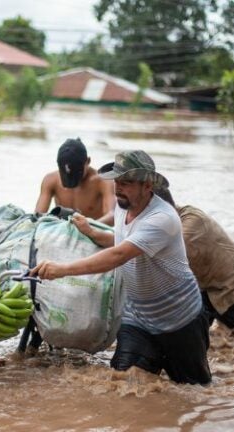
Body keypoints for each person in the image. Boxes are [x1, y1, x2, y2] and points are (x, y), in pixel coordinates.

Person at [31, 150, 211, 385]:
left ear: (147, 186)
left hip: (179, 320)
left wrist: (62, 270)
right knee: (123, 384)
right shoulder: (122, 207)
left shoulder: (161, 219)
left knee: (194, 392)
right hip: (138, 318)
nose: (118, 188)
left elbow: (119, 255)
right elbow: (121, 240)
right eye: (116, 181)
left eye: (126, 183)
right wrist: (92, 232)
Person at [175, 204, 234, 336]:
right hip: (206, 292)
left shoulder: (191, 223)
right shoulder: (177, 218)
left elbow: (164, 262)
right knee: (203, 341)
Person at [34, 138, 115, 222]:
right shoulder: (51, 180)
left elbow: (112, 216)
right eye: (66, 175)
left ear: (88, 161)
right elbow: (38, 216)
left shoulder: (103, 182)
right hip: (63, 230)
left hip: (93, 230)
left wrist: (88, 227)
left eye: (76, 172)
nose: (71, 177)